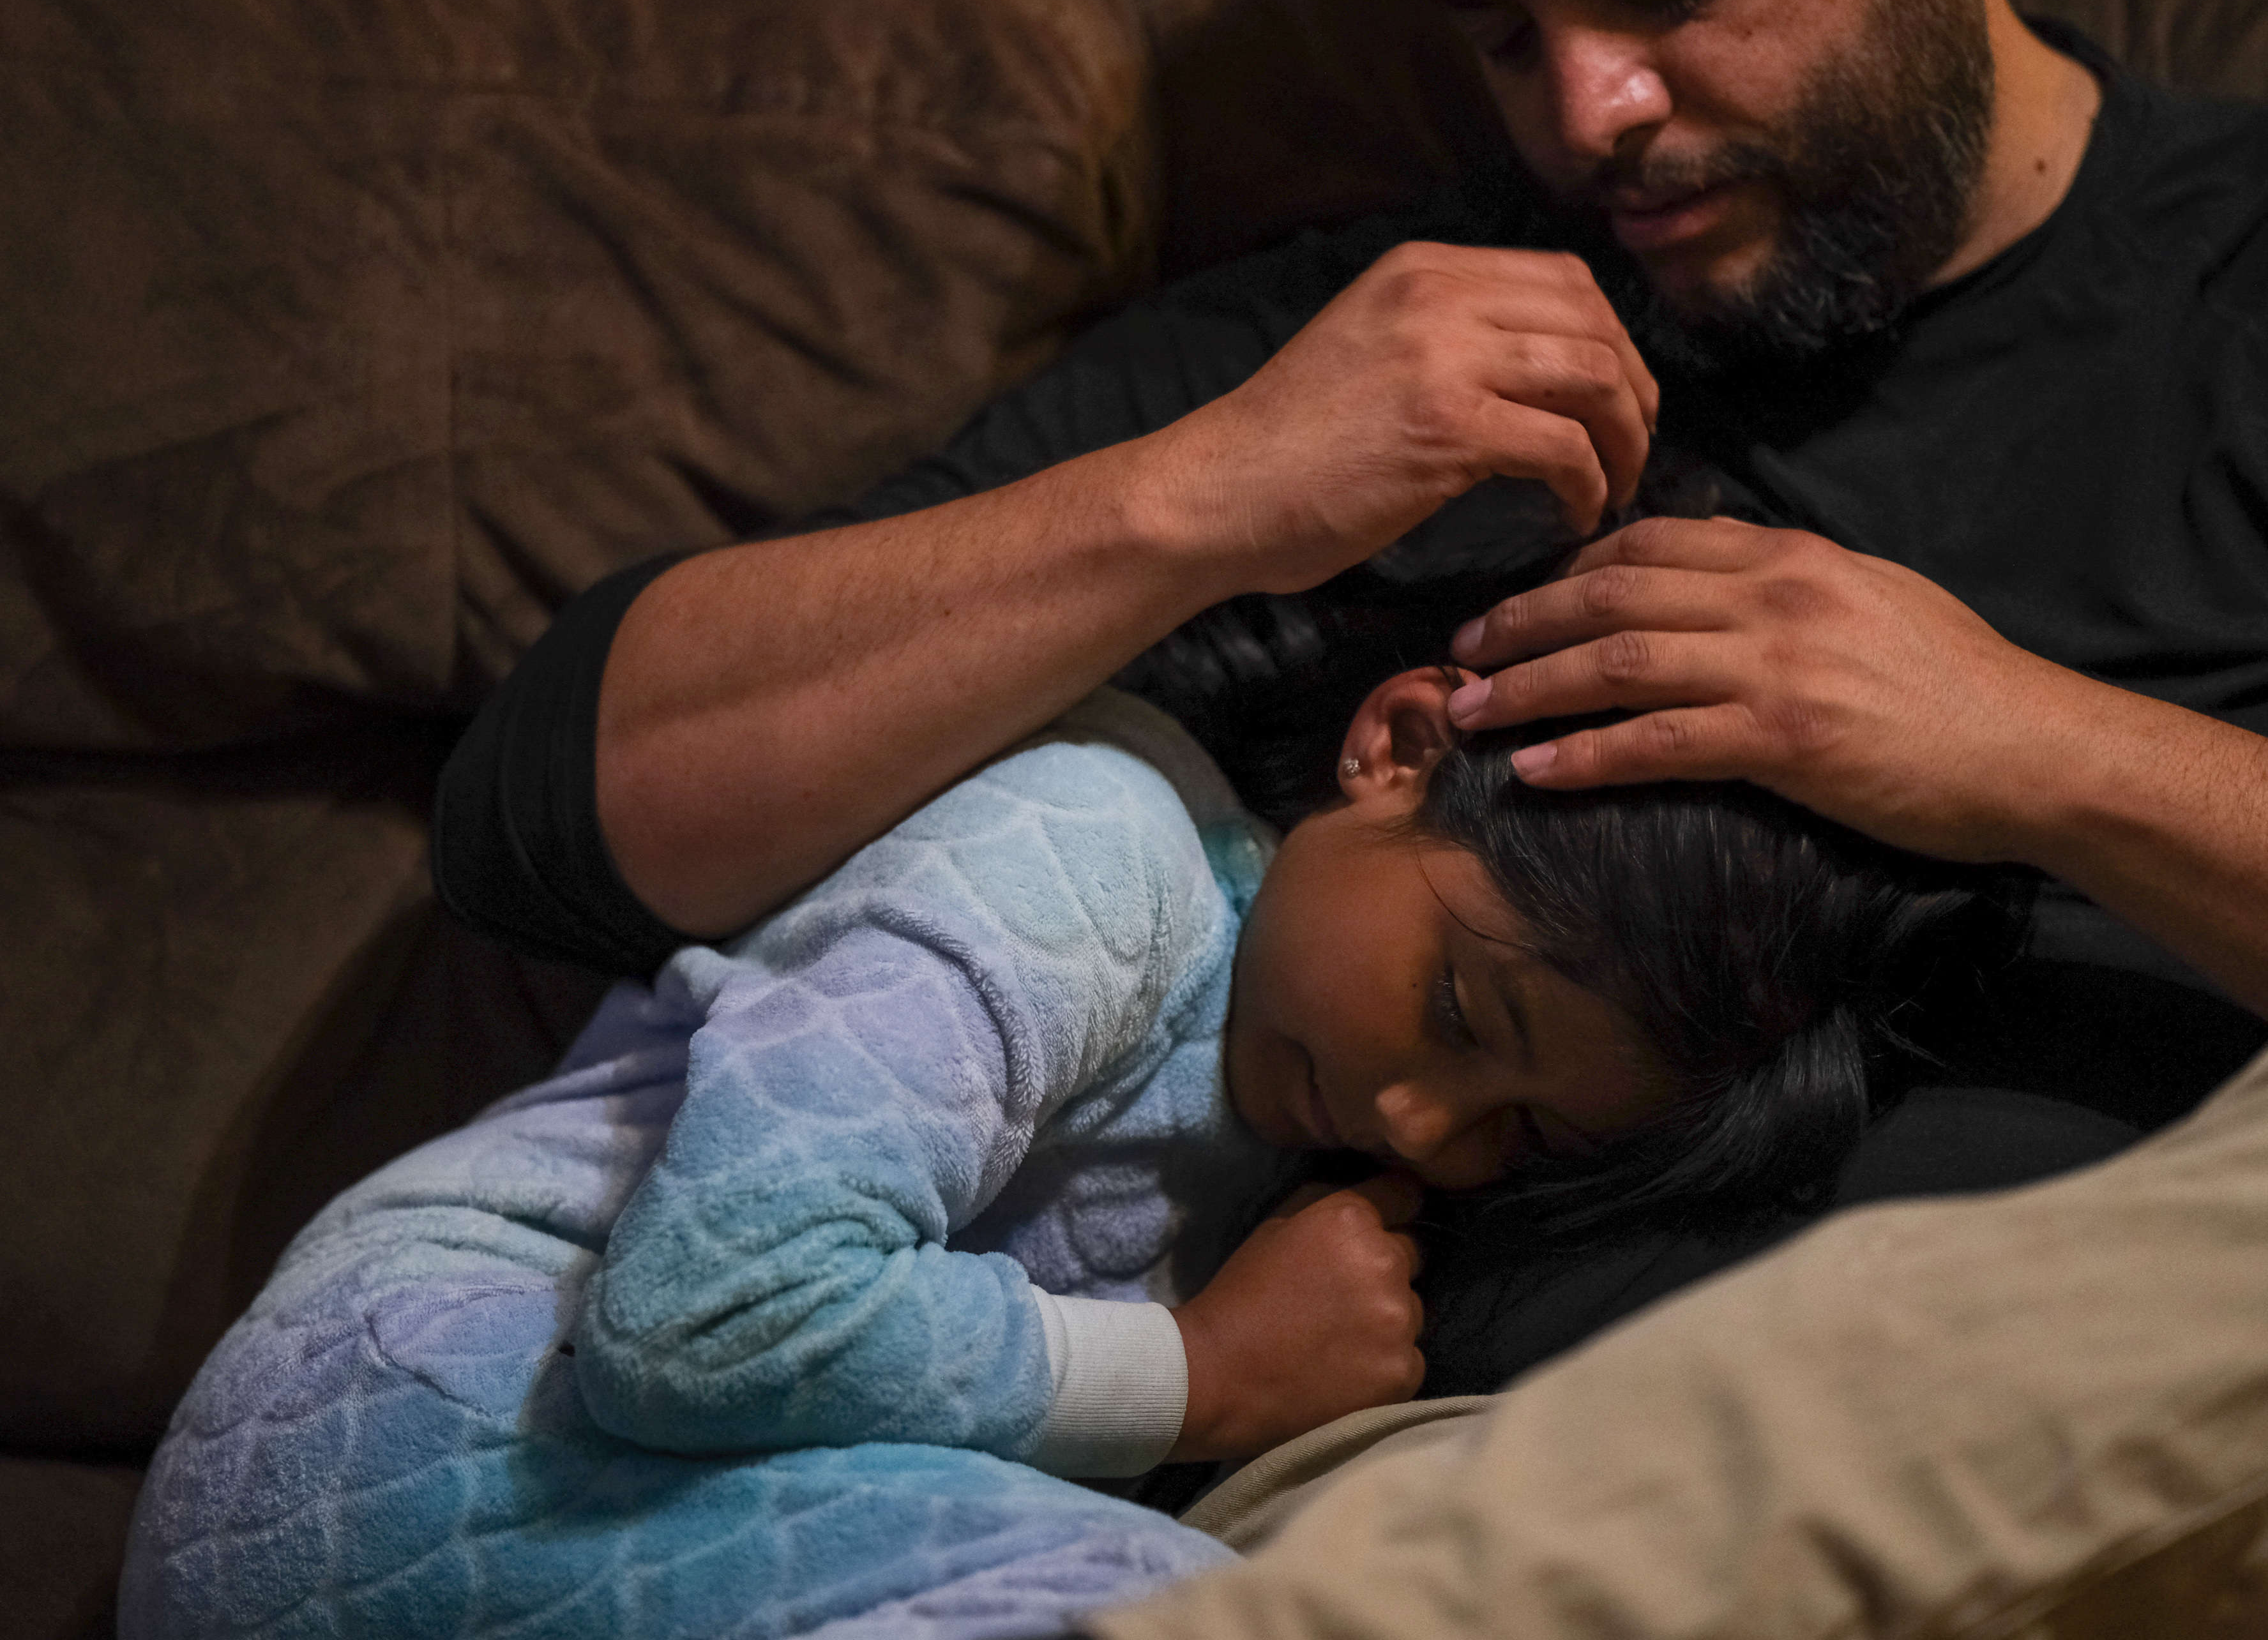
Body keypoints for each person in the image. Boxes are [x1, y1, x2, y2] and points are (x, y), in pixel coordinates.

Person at [434, 0, 2268, 1373]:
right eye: (1495, 33)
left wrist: (2046, 753)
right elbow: (556, 824)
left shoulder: (2231, 278)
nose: (1590, 108)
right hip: (1418, 1485)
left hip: (2108, 1381)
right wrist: (1210, 491)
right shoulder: (1392, 344)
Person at [127, 662, 2005, 1638]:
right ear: (1396, 745)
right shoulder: (1086, 860)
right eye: (1458, 1017)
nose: (1429, 1129)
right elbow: (698, 1316)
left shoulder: (1301, 1128)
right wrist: (1198, 1373)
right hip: (417, 1410)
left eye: (1519, 1129)